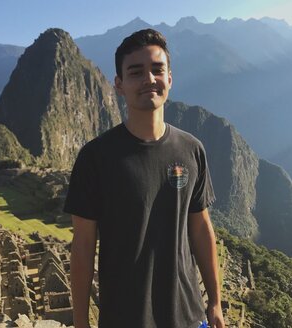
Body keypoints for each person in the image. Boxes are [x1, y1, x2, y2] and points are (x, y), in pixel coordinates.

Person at [65, 29, 225, 328]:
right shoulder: (96, 157)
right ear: (119, 85)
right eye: (135, 72)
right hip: (125, 318)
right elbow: (83, 244)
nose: (149, 79)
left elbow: (201, 228)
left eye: (157, 70)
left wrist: (214, 302)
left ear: (170, 78)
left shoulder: (192, 149)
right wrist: (80, 320)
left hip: (189, 316)